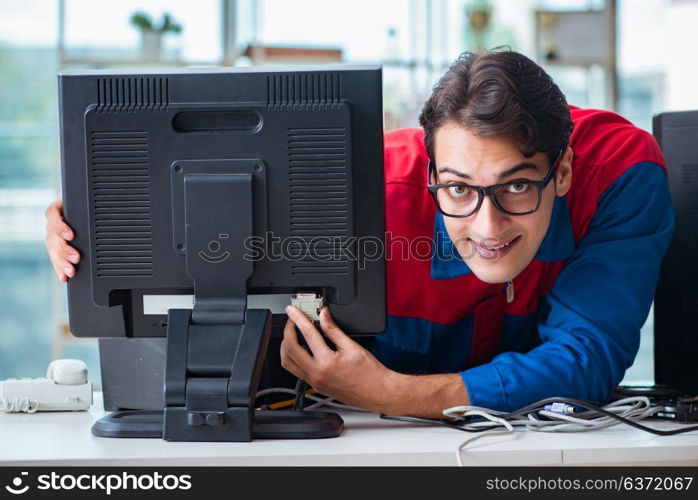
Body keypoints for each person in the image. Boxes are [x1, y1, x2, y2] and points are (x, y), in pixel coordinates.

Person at [45, 49, 674, 419]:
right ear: (428, 171)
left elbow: (586, 360)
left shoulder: (620, 175)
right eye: (457, 189)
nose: (487, 227)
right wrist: (101, 225)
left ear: (561, 169)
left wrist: (394, 394)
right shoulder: (354, 189)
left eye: (516, 187)